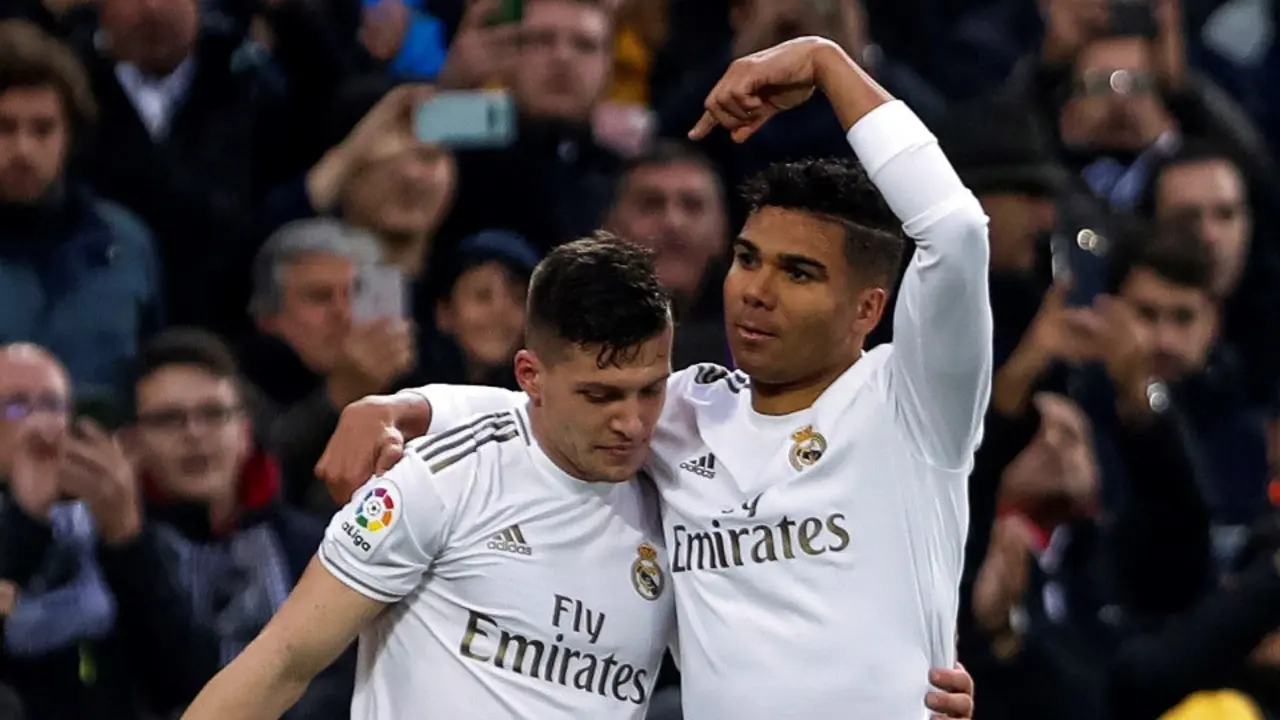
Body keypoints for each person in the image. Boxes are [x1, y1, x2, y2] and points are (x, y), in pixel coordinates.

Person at [317, 35, 990, 719]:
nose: (756, 290)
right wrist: (405, 408)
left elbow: (958, 230)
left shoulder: (911, 400)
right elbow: (553, 400)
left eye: (798, 273)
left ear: (869, 308)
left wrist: (824, 62)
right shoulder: (687, 410)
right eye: (749, 258)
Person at [181, 235, 677, 718]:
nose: (632, 423)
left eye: (651, 391)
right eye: (600, 396)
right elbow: (281, 662)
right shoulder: (440, 479)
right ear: (530, 376)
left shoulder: (680, 491)